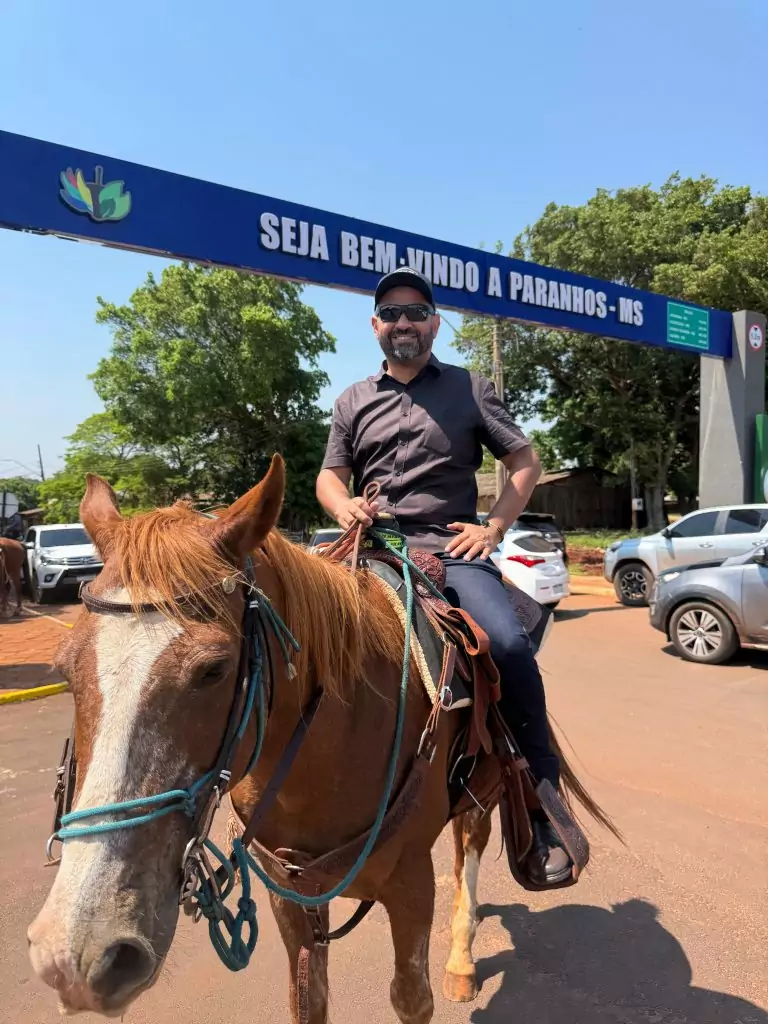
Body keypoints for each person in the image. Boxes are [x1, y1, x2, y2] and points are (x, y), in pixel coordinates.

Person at [315, 266, 571, 886]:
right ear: (375, 326)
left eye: (415, 312)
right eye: (391, 314)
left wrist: (493, 528)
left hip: (450, 550)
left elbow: (525, 461)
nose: (403, 322)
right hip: (368, 548)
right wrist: (341, 504)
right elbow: (329, 476)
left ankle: (541, 807)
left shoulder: (471, 388)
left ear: (433, 322)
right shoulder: (352, 399)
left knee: (507, 646)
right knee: (289, 629)